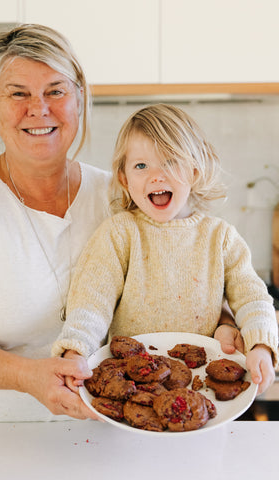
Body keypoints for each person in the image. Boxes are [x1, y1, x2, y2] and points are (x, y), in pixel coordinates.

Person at [0, 25, 240, 422]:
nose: (39, 108)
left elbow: (180, 273)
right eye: (18, 93)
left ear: (80, 99)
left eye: (56, 91)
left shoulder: (122, 195)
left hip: (95, 434)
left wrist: (225, 322)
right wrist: (28, 377)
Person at [52, 104, 278, 396]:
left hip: (200, 387)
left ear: (195, 171)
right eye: (141, 166)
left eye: (170, 162)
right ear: (124, 179)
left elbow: (253, 298)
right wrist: (76, 350)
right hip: (134, 384)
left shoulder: (220, 237)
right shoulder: (119, 233)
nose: (156, 176)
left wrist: (260, 344)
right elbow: (91, 302)